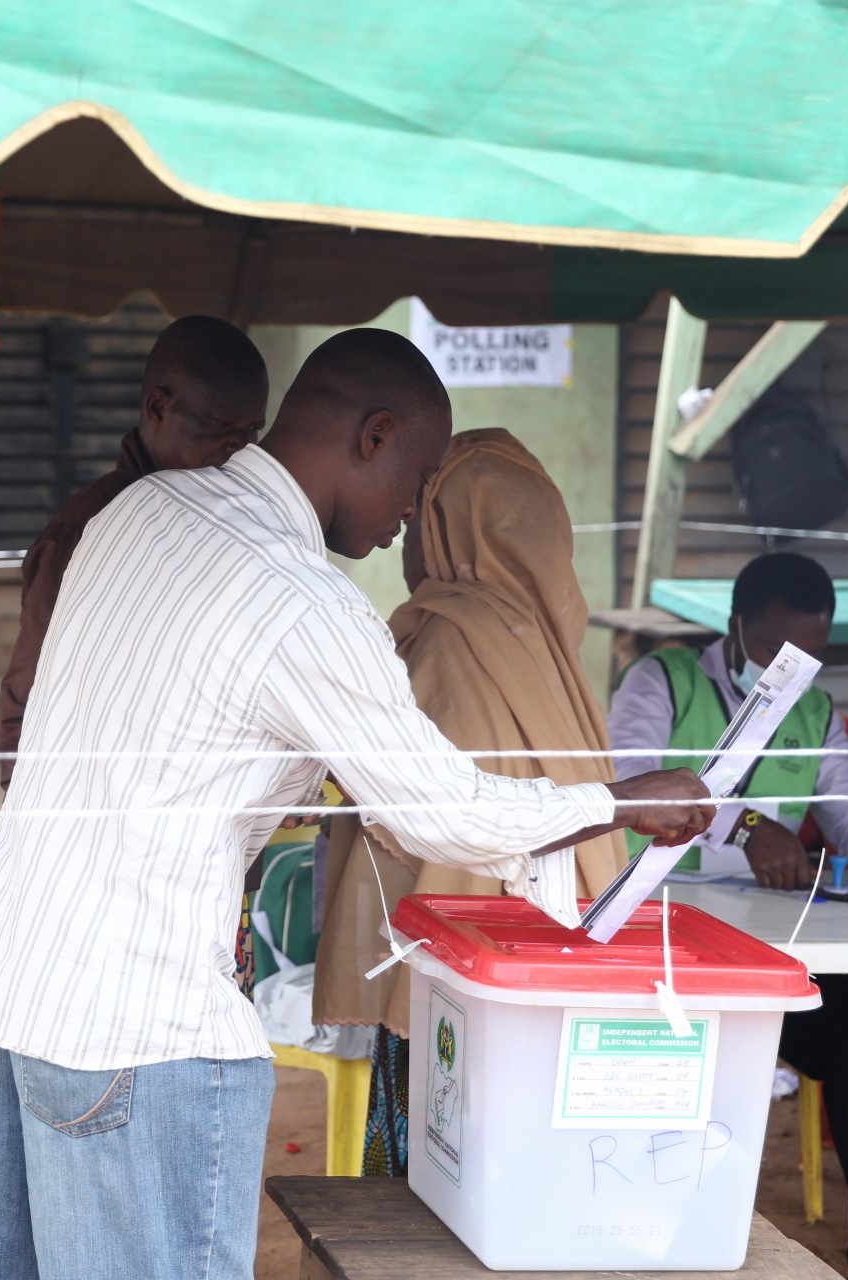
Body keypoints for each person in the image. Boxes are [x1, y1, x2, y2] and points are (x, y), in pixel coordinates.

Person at [0, 328, 715, 1280]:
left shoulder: (142, 511)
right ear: (375, 436)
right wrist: (620, 802)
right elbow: (443, 813)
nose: (409, 520)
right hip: (129, 1029)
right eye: (419, 479)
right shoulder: (307, 601)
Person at [607, 551, 848, 1280]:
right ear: (734, 626)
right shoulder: (659, 681)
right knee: (697, 1058)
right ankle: (653, 1244)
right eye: (776, 651)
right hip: (654, 943)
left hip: (758, 947)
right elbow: (630, 778)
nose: (791, 668)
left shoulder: (813, 708)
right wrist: (747, 827)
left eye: (810, 654)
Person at [312, 428, 622, 1177]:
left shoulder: (440, 640)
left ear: (451, 529)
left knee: (426, 1169)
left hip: (444, 968)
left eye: (418, 519)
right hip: (548, 969)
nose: (404, 540)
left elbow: (394, 808)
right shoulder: (553, 654)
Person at [0, 315, 269, 789]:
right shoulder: (83, 532)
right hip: (105, 816)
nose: (237, 450)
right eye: (220, 426)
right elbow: (30, 692)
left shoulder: (242, 528)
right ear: (157, 407)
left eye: (251, 432)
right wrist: (29, 810)